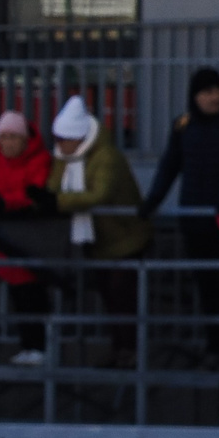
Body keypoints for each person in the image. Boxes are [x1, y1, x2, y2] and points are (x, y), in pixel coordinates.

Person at [140, 68, 219, 366]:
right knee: (208, 287)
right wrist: (152, 200)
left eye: (217, 90)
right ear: (194, 97)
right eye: (207, 91)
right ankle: (217, 346)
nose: (214, 97)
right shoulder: (183, 126)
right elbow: (169, 165)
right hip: (195, 221)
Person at [47, 95, 149, 366]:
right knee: (110, 297)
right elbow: (54, 186)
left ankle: (129, 350)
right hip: (98, 239)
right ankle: (120, 349)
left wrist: (55, 202)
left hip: (126, 239)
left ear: (78, 138)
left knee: (123, 298)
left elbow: (99, 194)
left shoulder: (108, 157)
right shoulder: (64, 156)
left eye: (62, 139)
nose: (58, 145)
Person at [0, 111, 53, 363]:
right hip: (4, 235)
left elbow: (33, 193)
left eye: (12, 137)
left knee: (33, 291)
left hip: (31, 234)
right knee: (17, 292)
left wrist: (3, 201)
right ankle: (28, 346)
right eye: (2, 137)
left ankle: (40, 346)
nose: (7, 143)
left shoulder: (40, 159)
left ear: (24, 138)